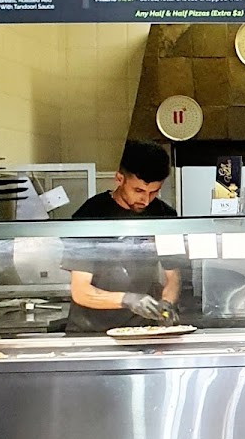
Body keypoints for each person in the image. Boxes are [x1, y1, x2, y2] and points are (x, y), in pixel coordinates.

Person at [63, 140, 184, 333]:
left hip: (141, 330)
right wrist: (127, 299)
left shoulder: (164, 216)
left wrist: (166, 304)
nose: (146, 200)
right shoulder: (90, 215)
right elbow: (81, 291)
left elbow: (173, 277)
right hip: (90, 331)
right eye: (138, 190)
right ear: (119, 179)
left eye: (154, 192)